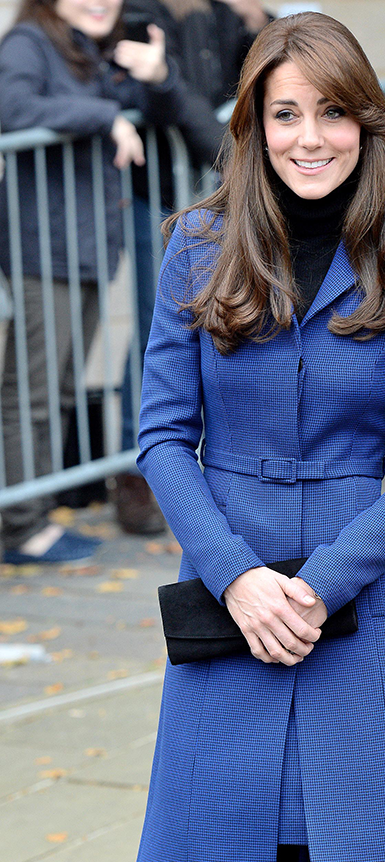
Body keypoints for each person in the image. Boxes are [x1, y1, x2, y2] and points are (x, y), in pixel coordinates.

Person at [126, 12, 385, 862]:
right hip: (226, 606)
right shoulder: (195, 245)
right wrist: (236, 577)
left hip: (348, 615)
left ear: (366, 123)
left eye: (330, 112)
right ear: (253, 125)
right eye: (284, 113)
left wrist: (321, 582)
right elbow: (159, 437)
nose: (308, 136)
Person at [0, 0, 188, 563]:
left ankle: (29, 518)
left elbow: (154, 110)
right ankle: (20, 527)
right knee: (32, 393)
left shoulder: (93, 51)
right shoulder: (29, 43)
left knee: (53, 390)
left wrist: (160, 78)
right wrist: (103, 117)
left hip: (81, 247)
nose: (101, 1)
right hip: (42, 247)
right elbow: (10, 107)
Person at [114, 0, 273, 535]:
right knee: (153, 332)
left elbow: (263, 81)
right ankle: (136, 479)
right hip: (153, 196)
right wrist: (231, 155)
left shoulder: (227, 13)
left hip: (211, 197)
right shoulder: (139, 12)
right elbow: (157, 105)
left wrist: (258, 23)